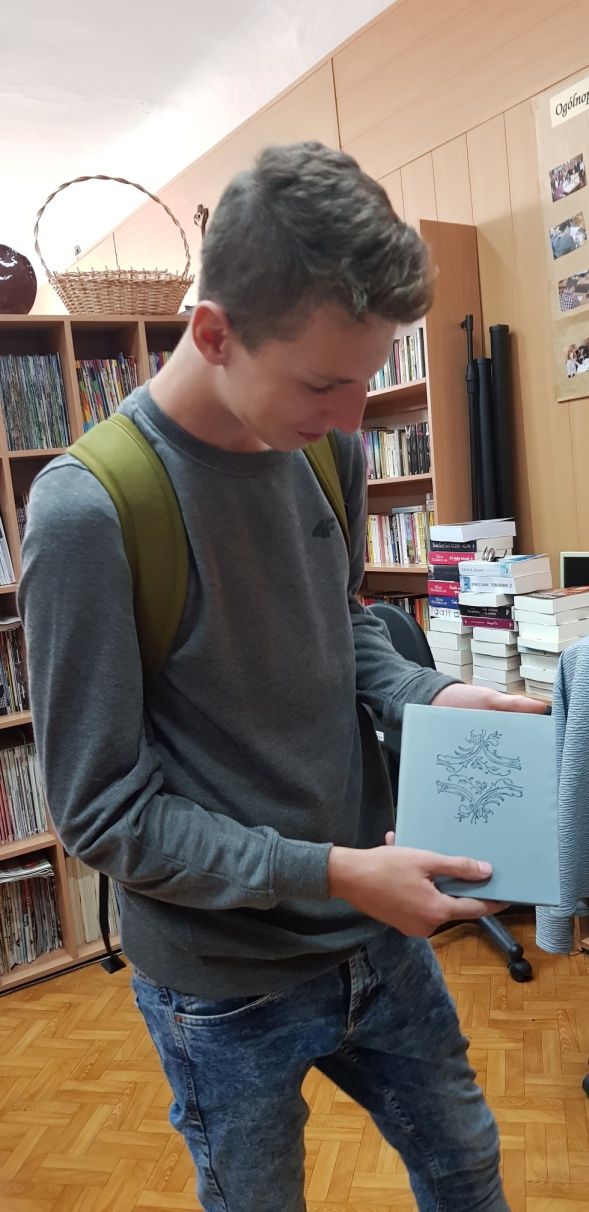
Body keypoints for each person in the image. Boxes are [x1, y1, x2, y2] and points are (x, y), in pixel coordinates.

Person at [19, 142, 543, 1212]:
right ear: (213, 333)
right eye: (322, 382)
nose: (353, 417)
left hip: (376, 934)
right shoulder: (88, 511)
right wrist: (336, 873)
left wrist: (428, 693)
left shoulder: (323, 451)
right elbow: (102, 812)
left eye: (368, 376)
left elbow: (338, 623)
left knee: (467, 1167)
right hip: (223, 986)